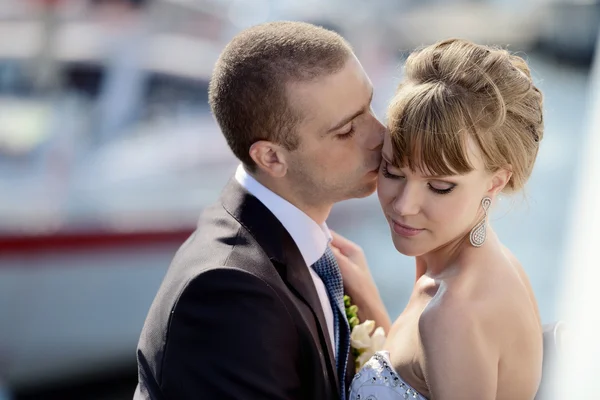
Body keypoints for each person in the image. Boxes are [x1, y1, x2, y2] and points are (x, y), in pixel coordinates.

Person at [133, 21, 390, 399]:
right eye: (346, 131)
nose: (379, 135)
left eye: (368, 106)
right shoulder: (229, 293)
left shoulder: (306, 250)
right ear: (271, 156)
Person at [336, 38, 545, 400]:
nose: (404, 206)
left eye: (440, 187)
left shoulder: (453, 314)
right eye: (393, 172)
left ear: (496, 181)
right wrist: (368, 302)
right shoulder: (488, 265)